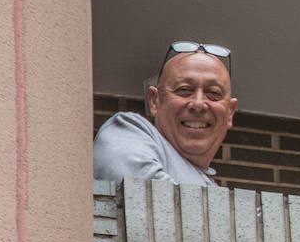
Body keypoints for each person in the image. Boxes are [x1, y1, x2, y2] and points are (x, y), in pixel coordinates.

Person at [93, 41, 238, 185]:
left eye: (213, 93)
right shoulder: (124, 132)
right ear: (154, 101)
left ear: (230, 112)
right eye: (184, 89)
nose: (198, 104)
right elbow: (146, 195)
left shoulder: (213, 188)